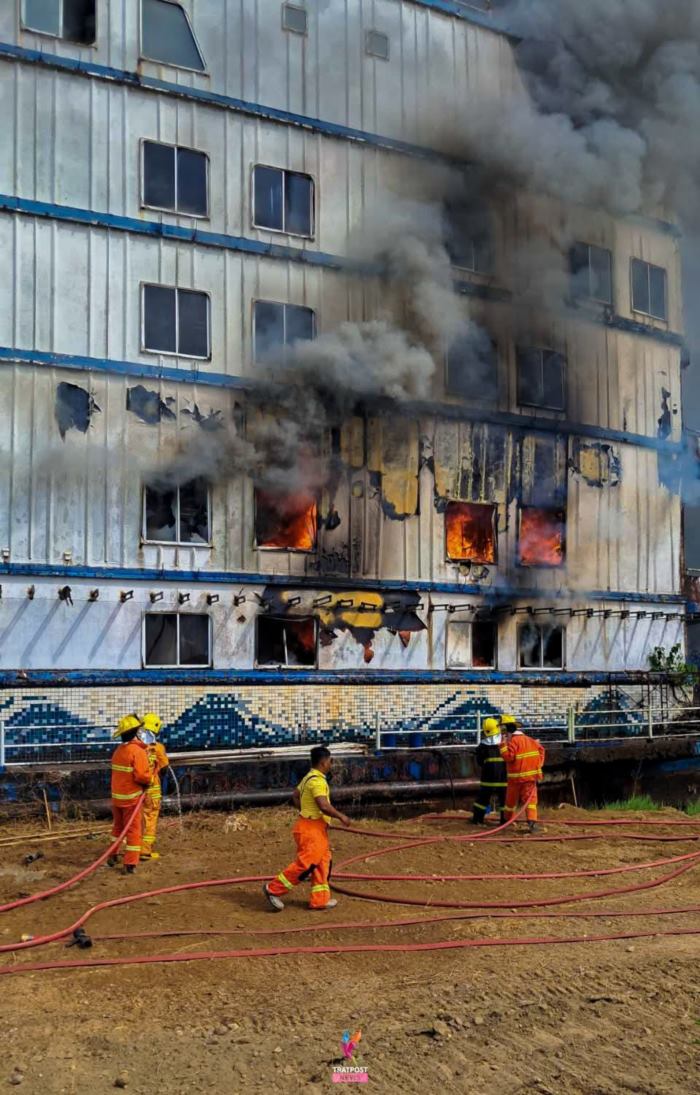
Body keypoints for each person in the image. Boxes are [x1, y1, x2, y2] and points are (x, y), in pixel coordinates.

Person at [264, 745, 351, 911]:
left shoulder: (308, 777)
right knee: (307, 864)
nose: (331, 764)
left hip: (314, 827)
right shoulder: (317, 781)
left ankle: (320, 900)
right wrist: (341, 816)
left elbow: (296, 796)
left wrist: (305, 811)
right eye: (330, 761)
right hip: (311, 830)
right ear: (324, 762)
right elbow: (323, 805)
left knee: (323, 863)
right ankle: (273, 889)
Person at [108, 714, 151, 873]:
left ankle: (112, 855)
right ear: (135, 732)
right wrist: (150, 778)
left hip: (117, 798)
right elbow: (142, 776)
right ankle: (130, 863)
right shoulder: (137, 752)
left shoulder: (118, 751)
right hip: (131, 799)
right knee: (133, 831)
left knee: (118, 827)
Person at [499, 714, 546, 834]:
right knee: (530, 801)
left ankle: (506, 821)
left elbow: (508, 757)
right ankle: (532, 824)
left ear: (506, 731)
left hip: (515, 779)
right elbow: (541, 750)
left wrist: (503, 745)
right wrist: (538, 766)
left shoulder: (512, 742)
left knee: (510, 801)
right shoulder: (530, 740)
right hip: (530, 778)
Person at [139, 712, 170, 861]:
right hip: (152, 792)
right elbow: (164, 768)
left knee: (135, 820)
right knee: (150, 818)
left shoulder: (134, 748)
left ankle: (131, 849)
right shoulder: (157, 747)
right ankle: (145, 850)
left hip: (135, 791)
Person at [471, 717, 507, 825]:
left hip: (487, 779)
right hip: (503, 779)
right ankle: (504, 821)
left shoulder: (482, 746)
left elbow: (480, 762)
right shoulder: (504, 743)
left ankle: (477, 819)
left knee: (482, 799)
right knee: (504, 800)